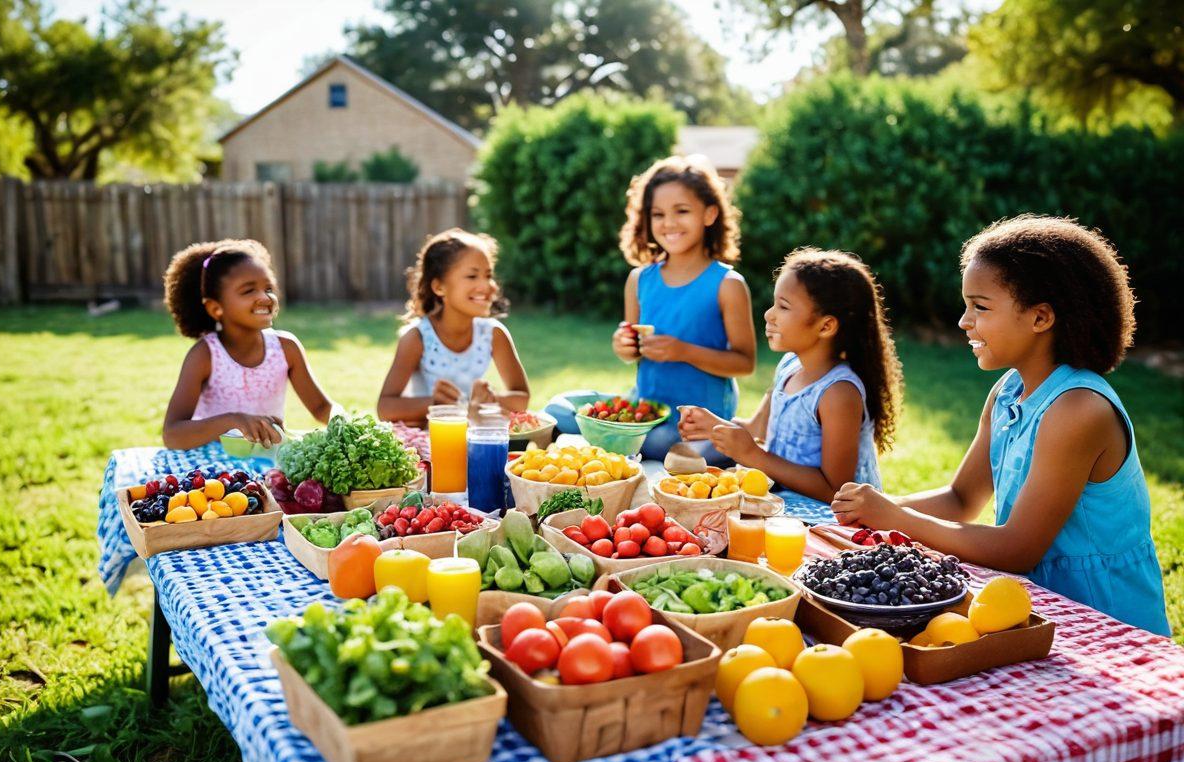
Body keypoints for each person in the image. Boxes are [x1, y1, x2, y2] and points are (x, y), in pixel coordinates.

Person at [831, 215, 1170, 635]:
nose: (963, 321)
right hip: (1035, 609)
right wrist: (870, 510)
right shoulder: (1008, 392)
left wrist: (894, 517)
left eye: (981, 307)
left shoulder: (1079, 410)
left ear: (1041, 318)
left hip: (1108, 625)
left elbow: (1017, 549)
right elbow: (960, 498)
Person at [546, 155, 755, 461]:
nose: (668, 223)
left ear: (709, 214)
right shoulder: (639, 280)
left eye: (681, 211)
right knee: (556, 411)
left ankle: (622, 447)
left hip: (696, 423)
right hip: (646, 412)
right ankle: (620, 443)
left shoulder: (727, 284)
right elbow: (633, 351)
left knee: (667, 445)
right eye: (658, 214)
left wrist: (683, 351)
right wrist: (625, 346)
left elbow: (745, 363)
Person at [680, 248, 902, 502]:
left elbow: (837, 491)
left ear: (826, 326)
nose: (768, 315)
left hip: (832, 522)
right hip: (783, 505)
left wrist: (754, 456)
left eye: (783, 307)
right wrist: (712, 425)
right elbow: (757, 429)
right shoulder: (789, 367)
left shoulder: (838, 393)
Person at [161, 239, 333, 450]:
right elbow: (173, 434)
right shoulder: (205, 355)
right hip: (213, 471)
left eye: (268, 288)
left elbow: (321, 407)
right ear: (216, 308)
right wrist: (233, 420)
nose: (264, 297)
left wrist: (351, 425)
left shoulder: (287, 348)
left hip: (268, 466)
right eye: (248, 290)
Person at [377, 228, 529, 425]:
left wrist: (487, 400)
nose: (487, 285)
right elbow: (385, 408)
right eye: (472, 276)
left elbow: (522, 398)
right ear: (439, 287)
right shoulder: (417, 338)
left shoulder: (493, 333)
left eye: (488, 275)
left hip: (474, 436)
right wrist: (436, 404)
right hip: (428, 444)